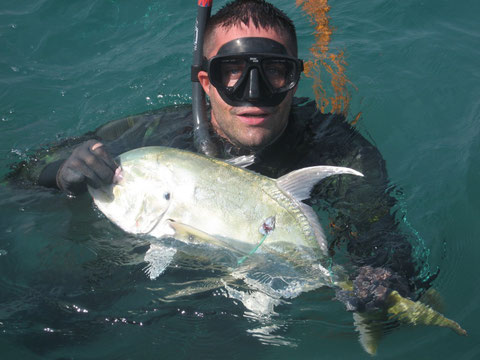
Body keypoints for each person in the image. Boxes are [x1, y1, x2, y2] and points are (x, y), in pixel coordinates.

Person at [4, 0, 432, 311]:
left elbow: (382, 241)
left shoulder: (338, 149)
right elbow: (20, 178)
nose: (253, 94)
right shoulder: (159, 135)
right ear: (206, 82)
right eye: (233, 72)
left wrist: (383, 285)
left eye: (275, 73)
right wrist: (61, 174)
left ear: (295, 80)